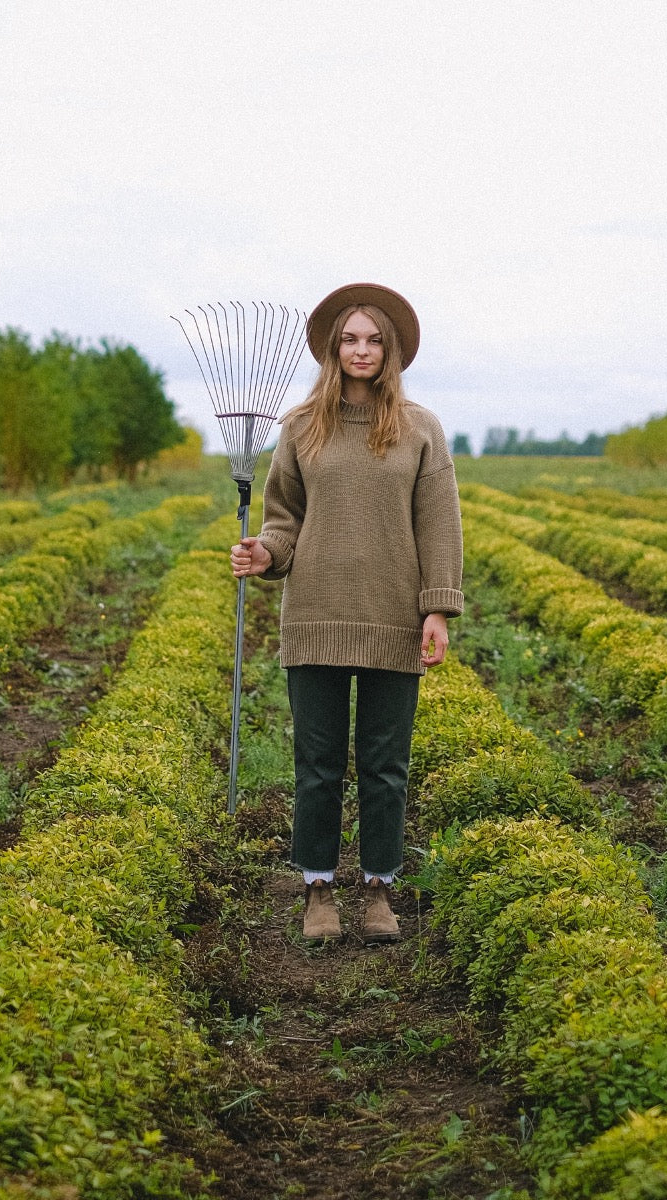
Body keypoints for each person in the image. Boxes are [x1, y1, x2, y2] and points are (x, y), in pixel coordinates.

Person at [230, 282, 464, 945]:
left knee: (387, 768)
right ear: (333, 348)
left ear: (390, 350)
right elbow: (284, 522)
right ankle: (319, 891)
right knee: (319, 767)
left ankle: (380, 891)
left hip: (392, 618)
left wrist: (437, 610)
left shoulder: (421, 429)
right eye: (350, 339)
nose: (361, 349)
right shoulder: (302, 428)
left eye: (374, 339)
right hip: (316, 617)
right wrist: (263, 554)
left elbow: (439, 525)